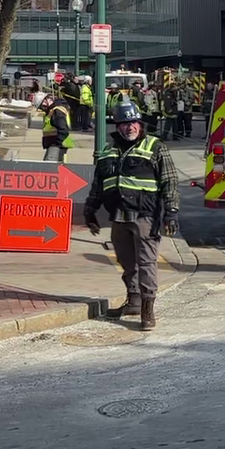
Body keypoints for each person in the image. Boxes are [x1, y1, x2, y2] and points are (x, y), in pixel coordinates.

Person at [83, 100, 180, 331]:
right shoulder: (108, 152)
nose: (130, 127)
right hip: (118, 216)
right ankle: (134, 301)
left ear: (140, 123)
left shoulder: (155, 147)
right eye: (125, 123)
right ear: (117, 126)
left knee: (146, 263)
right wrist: (90, 210)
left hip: (145, 216)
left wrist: (172, 212)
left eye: (134, 122)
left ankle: (148, 310)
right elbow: (99, 184)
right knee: (127, 262)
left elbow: (170, 181)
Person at [39, 93, 74, 162]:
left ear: (46, 100)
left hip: (56, 145)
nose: (42, 108)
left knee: (49, 166)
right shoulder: (52, 110)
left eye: (42, 106)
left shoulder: (57, 111)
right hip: (55, 143)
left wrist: (57, 144)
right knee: (54, 166)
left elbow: (63, 129)